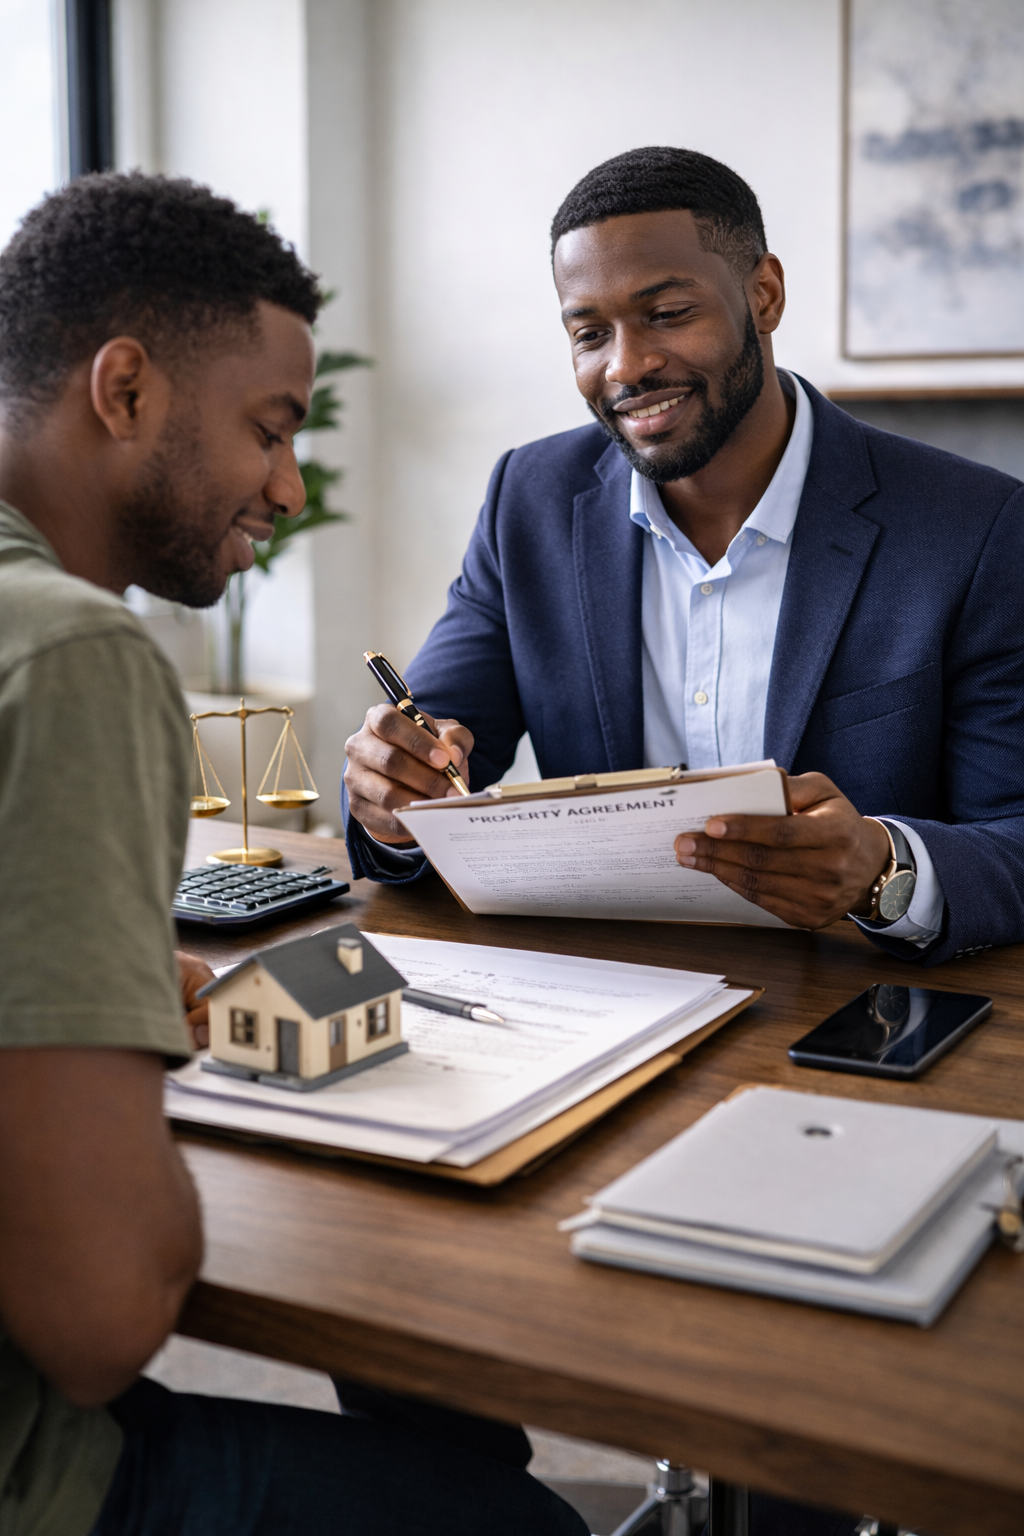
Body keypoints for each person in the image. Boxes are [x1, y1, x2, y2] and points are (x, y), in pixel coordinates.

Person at [0, 172, 586, 1536]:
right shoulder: (72, 656)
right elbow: (101, 1318)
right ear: (126, 389)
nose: (288, 482)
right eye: (270, 428)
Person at [343, 145, 1024, 967]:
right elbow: (434, 758)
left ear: (763, 295)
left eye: (667, 314)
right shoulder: (530, 498)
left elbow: (1014, 836)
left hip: (853, 1006)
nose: (625, 366)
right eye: (590, 333)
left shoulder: (975, 526)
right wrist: (394, 798)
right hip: (607, 997)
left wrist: (885, 867)